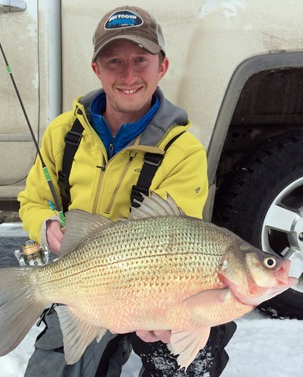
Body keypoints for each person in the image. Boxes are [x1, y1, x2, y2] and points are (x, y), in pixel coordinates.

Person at [18, 5, 236, 377]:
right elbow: (32, 200)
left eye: (141, 60)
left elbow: (175, 241)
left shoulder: (184, 151)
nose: (129, 74)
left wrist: (154, 311)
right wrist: (47, 228)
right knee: (57, 366)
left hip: (152, 279)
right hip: (86, 282)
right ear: (96, 70)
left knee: (190, 358)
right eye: (114, 61)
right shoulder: (63, 132)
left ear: (162, 67)